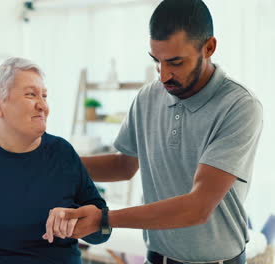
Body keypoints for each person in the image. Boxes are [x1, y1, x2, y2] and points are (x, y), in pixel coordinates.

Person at [43, 0, 263, 263]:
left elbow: (198, 207)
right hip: (156, 258)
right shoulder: (148, 96)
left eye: (176, 62)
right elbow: (123, 165)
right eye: (156, 61)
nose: (163, 75)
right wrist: (53, 164)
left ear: (209, 47)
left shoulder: (238, 105)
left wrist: (104, 219)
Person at [0, 57, 110, 264]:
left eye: (44, 95)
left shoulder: (63, 153)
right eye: (31, 95)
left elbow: (103, 231)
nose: (43, 105)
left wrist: (87, 220)